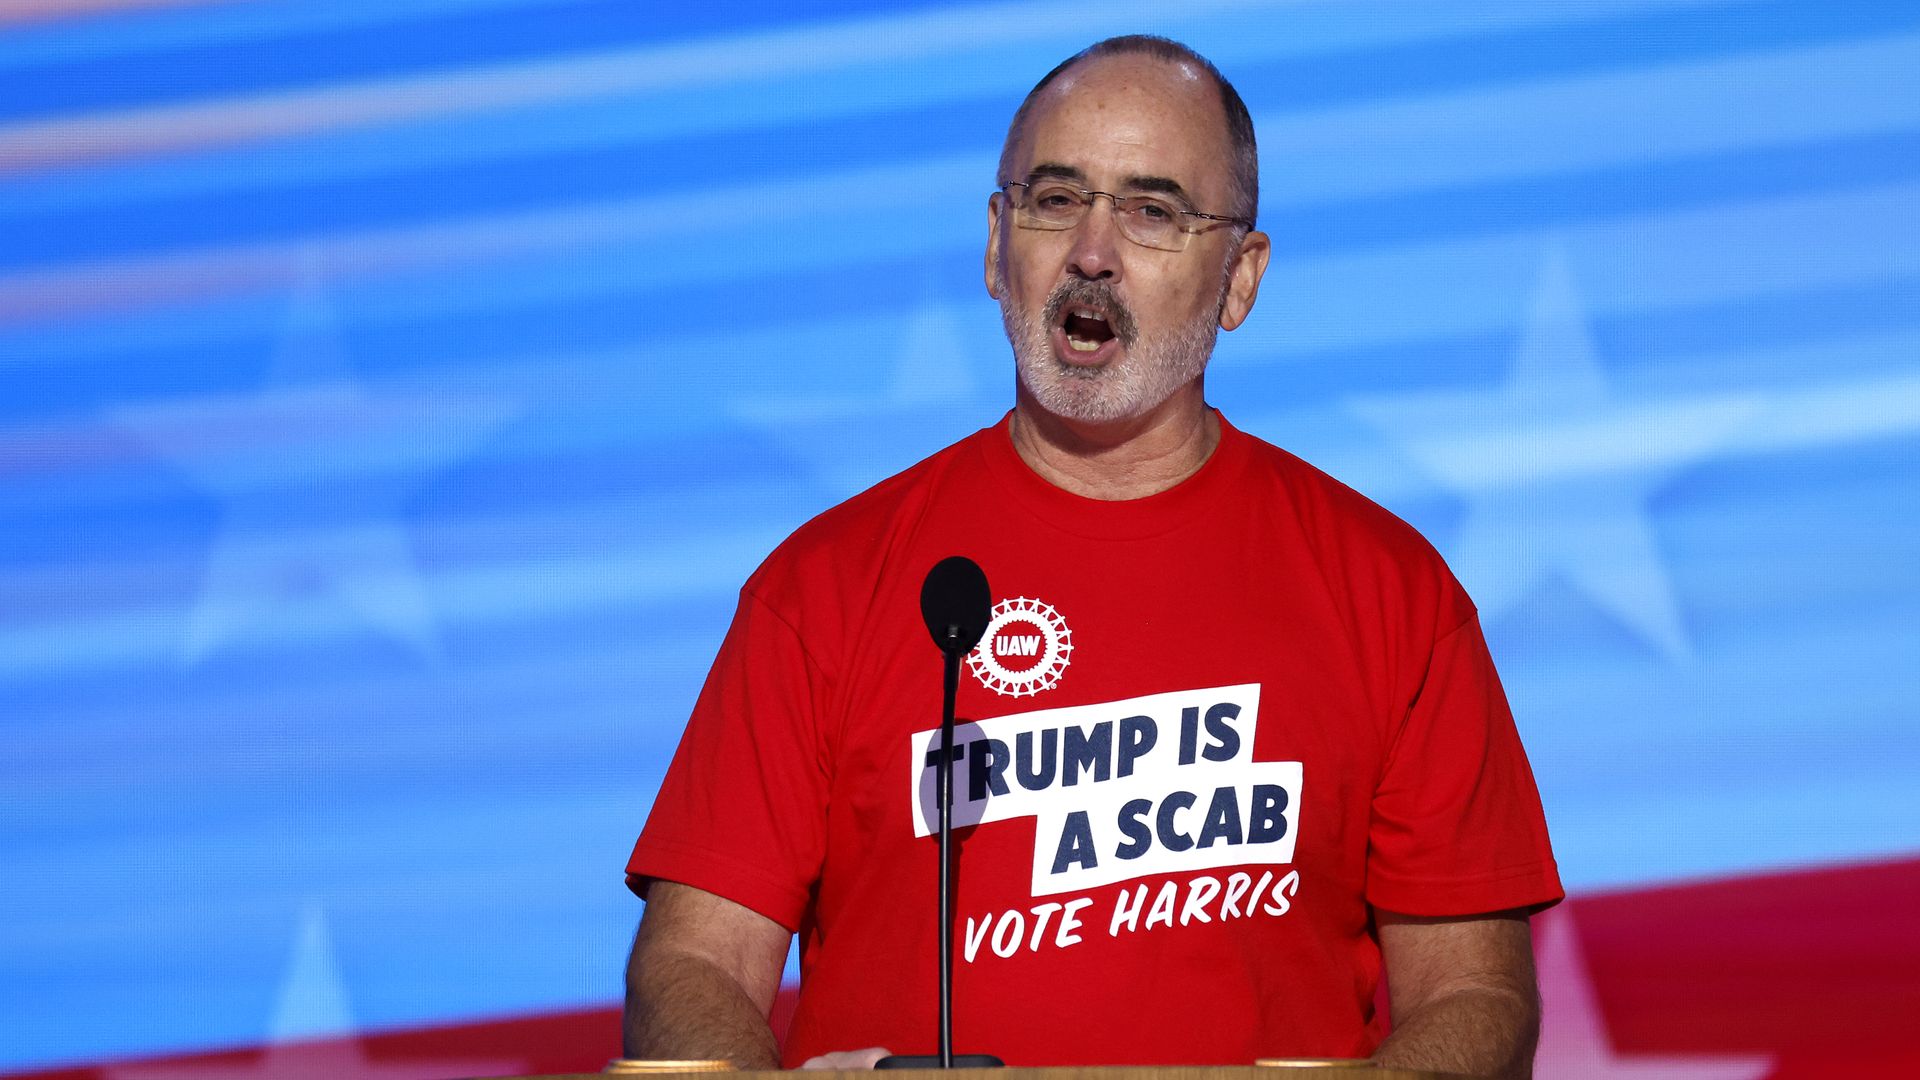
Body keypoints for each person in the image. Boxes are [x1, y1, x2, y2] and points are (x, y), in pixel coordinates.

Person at [623, 35, 1561, 1077]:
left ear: (1239, 278)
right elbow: (692, 968)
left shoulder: (1392, 593)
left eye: (1153, 212)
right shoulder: (825, 586)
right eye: (1057, 200)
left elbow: (1479, 997)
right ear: (995, 244)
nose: (1093, 253)